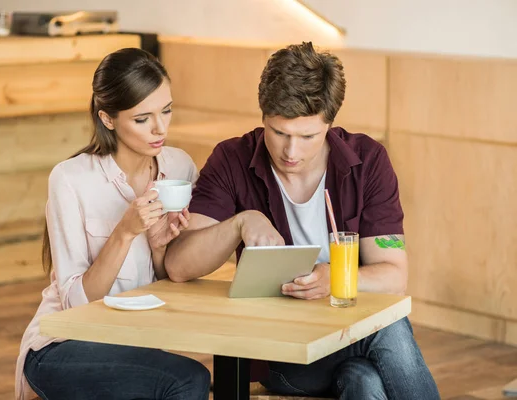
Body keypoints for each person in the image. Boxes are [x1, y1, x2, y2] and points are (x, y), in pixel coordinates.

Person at [164, 42, 440, 400]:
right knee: (388, 327)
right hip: (284, 355)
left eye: (308, 136)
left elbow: (393, 275)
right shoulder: (232, 160)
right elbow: (179, 265)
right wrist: (239, 223)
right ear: (263, 116)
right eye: (278, 133)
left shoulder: (367, 161)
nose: (291, 153)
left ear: (330, 123)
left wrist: (334, 279)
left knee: (364, 381)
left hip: (352, 337)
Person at [15, 48, 210, 400]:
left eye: (166, 111)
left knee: (195, 377)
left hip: (134, 341)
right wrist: (125, 232)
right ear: (107, 119)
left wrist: (158, 247)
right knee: (186, 380)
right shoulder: (71, 179)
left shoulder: (180, 169)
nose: (160, 128)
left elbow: (172, 282)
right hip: (63, 342)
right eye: (142, 118)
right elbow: (77, 305)